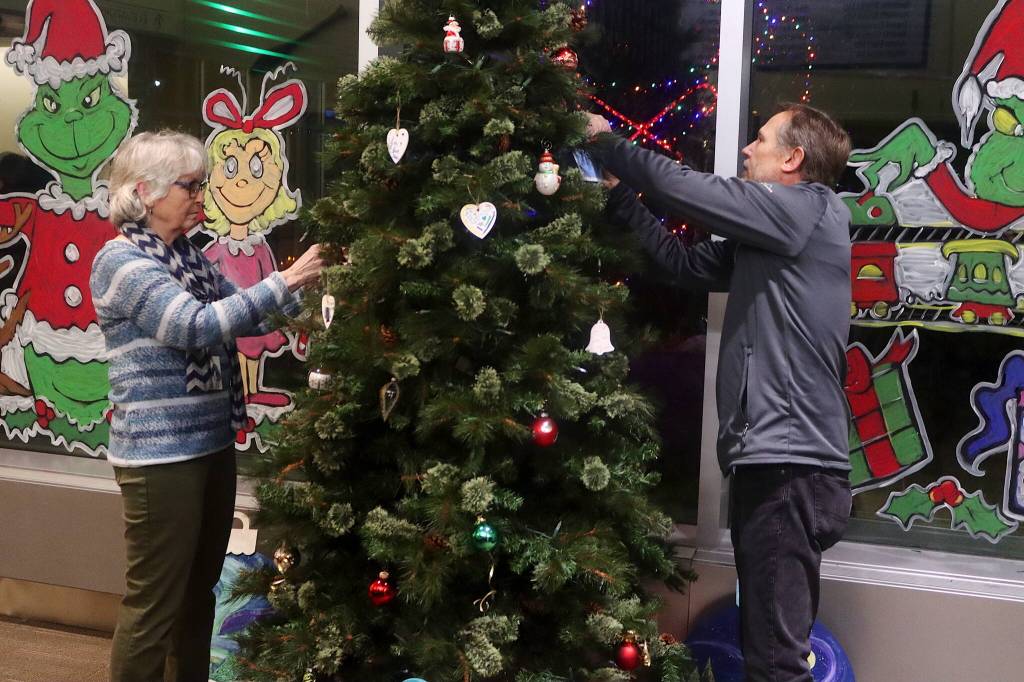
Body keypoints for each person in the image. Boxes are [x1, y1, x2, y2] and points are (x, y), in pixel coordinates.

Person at [587, 104, 853, 682]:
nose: (747, 151)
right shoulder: (771, 239)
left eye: (759, 141)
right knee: (767, 649)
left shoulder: (804, 210)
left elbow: (691, 190)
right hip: (777, 464)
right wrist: (618, 194)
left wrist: (610, 146)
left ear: (792, 158)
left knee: (776, 663)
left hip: (791, 466)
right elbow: (681, 263)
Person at [90, 130, 323, 682]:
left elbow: (246, 317)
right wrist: (281, 280)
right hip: (160, 458)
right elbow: (192, 327)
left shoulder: (185, 256)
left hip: (209, 444)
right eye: (190, 187)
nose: (201, 199)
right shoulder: (120, 261)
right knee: (154, 606)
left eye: (202, 186)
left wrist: (305, 289)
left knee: (199, 595)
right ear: (145, 191)